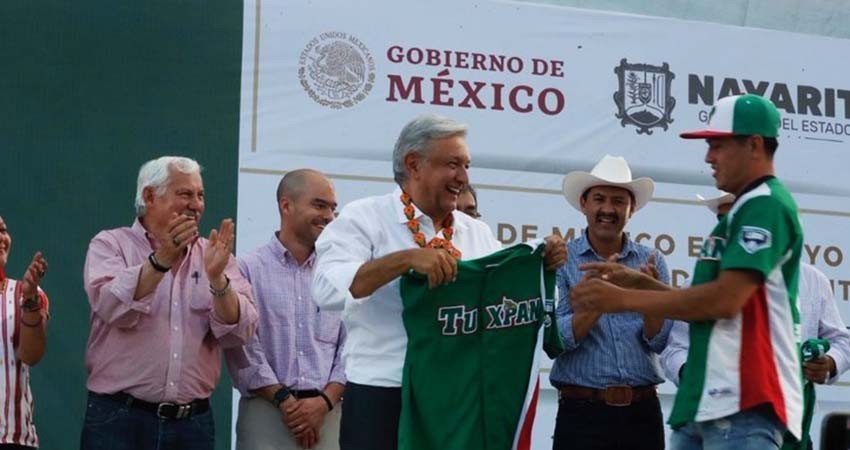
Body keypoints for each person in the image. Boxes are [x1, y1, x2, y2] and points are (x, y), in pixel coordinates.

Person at [311, 114, 566, 450]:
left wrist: (541, 268)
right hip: (385, 395)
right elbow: (327, 290)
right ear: (414, 164)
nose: (463, 177)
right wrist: (404, 260)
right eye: (453, 164)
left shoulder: (475, 232)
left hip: (456, 398)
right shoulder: (365, 217)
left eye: (467, 166)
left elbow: (511, 305)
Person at [571, 94, 804, 450]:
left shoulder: (766, 205)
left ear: (754, 145)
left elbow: (725, 301)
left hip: (744, 397)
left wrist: (623, 298)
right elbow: (716, 302)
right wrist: (644, 285)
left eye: (718, 145)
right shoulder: (743, 209)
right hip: (705, 399)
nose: (709, 157)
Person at [80, 156, 259, 450]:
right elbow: (111, 305)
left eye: (200, 195)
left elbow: (242, 329)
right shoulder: (110, 244)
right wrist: (162, 260)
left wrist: (218, 281)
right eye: (185, 194)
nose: (196, 204)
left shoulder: (214, 256)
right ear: (150, 196)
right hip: (118, 419)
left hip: (192, 425)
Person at [661, 191, 850, 450]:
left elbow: (841, 340)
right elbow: (676, 348)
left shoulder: (812, 281)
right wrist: (694, 374)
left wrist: (829, 363)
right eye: (723, 220)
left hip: (790, 426)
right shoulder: (700, 280)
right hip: (715, 419)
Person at [549, 154, 672, 450]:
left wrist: (648, 299)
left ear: (631, 210)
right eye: (599, 199)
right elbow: (557, 339)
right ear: (584, 204)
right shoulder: (562, 260)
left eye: (618, 201)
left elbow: (658, 342)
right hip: (582, 413)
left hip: (642, 412)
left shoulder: (651, 260)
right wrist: (602, 299)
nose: (607, 209)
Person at [226, 169, 345, 450]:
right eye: (319, 205)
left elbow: (352, 344)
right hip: (266, 414)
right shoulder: (247, 268)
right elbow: (243, 346)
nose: (328, 215)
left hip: (328, 415)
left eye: (332, 208)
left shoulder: (340, 270)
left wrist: (323, 402)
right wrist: (284, 401)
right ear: (286, 205)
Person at [0, 216, 49, 450]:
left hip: (11, 439)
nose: (2, 238)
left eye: (3, 231)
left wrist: (29, 300)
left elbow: (31, 355)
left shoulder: (25, 293)